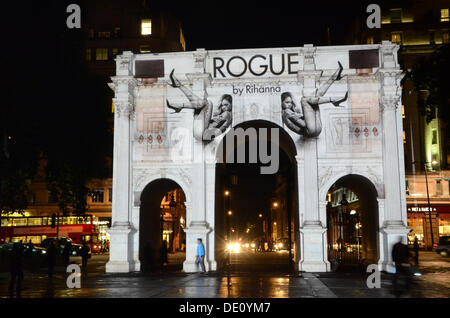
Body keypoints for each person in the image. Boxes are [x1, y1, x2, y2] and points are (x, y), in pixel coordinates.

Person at [281, 62, 348, 138]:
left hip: (315, 130)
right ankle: (334, 100)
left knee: (315, 95)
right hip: (311, 131)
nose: (289, 104)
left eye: (290, 102)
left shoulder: (288, 113)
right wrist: (305, 116)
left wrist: (306, 115)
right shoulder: (286, 112)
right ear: (281, 103)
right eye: (287, 102)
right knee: (304, 100)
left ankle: (335, 77)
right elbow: (304, 124)